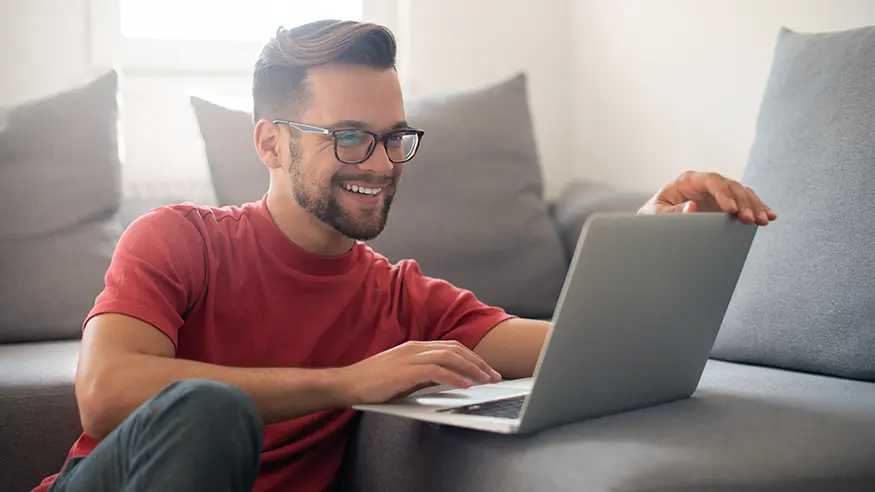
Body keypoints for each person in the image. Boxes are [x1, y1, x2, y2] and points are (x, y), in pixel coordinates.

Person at [34, 19, 776, 492]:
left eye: (395, 137)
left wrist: (658, 228)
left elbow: (583, 345)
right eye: (350, 136)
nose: (382, 162)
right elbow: (106, 390)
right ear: (270, 142)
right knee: (206, 410)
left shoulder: (402, 299)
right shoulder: (176, 238)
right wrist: (346, 382)